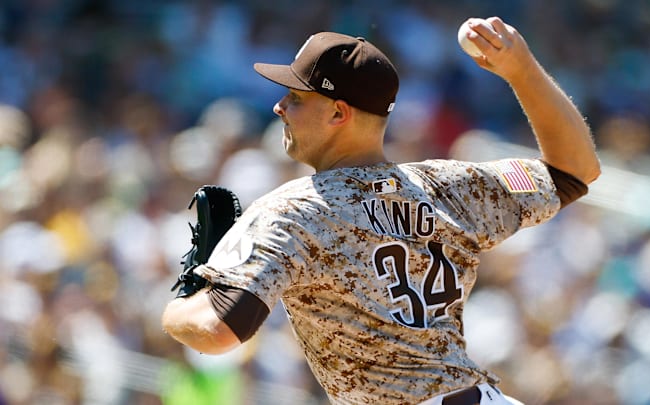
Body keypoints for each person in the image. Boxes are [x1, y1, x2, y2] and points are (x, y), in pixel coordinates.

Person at [162, 16, 601, 405]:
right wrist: (521, 70)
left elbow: (219, 331)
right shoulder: (449, 187)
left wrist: (183, 301)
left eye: (296, 97)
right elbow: (574, 170)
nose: (279, 107)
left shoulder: (293, 210)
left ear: (338, 112)